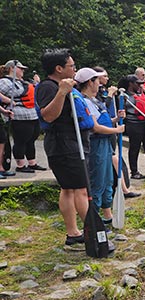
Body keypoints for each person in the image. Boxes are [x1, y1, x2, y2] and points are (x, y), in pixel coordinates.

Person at [35, 48, 89, 246]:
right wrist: (61, 93)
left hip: (70, 142)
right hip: (62, 144)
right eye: (71, 66)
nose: (74, 69)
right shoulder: (48, 87)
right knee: (80, 189)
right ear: (59, 68)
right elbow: (48, 116)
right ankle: (93, 231)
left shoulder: (65, 85)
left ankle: (74, 233)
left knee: (69, 189)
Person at [75, 67, 125, 228]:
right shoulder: (85, 101)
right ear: (90, 82)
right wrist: (116, 130)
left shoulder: (96, 99)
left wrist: (116, 118)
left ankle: (107, 214)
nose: (100, 84)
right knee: (98, 182)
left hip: (105, 143)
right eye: (97, 80)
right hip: (96, 144)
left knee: (108, 180)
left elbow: (104, 121)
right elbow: (95, 127)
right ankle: (94, 220)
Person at [92, 67, 140, 198]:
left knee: (114, 158)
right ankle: (121, 190)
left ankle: (123, 188)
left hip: (111, 125)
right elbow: (100, 109)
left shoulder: (102, 91)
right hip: (101, 132)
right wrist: (109, 95)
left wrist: (117, 118)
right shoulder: (94, 93)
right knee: (112, 158)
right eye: (105, 76)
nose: (107, 78)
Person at [0, 60, 48, 174]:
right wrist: (6, 102)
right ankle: (20, 164)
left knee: (32, 138)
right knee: (21, 140)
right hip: (18, 116)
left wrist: (37, 83)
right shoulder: (4, 82)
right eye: (21, 68)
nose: (23, 71)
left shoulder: (24, 82)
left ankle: (32, 163)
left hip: (32, 114)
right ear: (12, 68)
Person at [120, 74, 145, 179]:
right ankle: (134, 172)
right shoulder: (124, 96)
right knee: (134, 148)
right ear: (131, 84)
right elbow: (121, 111)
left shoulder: (141, 95)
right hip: (133, 124)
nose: (140, 86)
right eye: (138, 84)